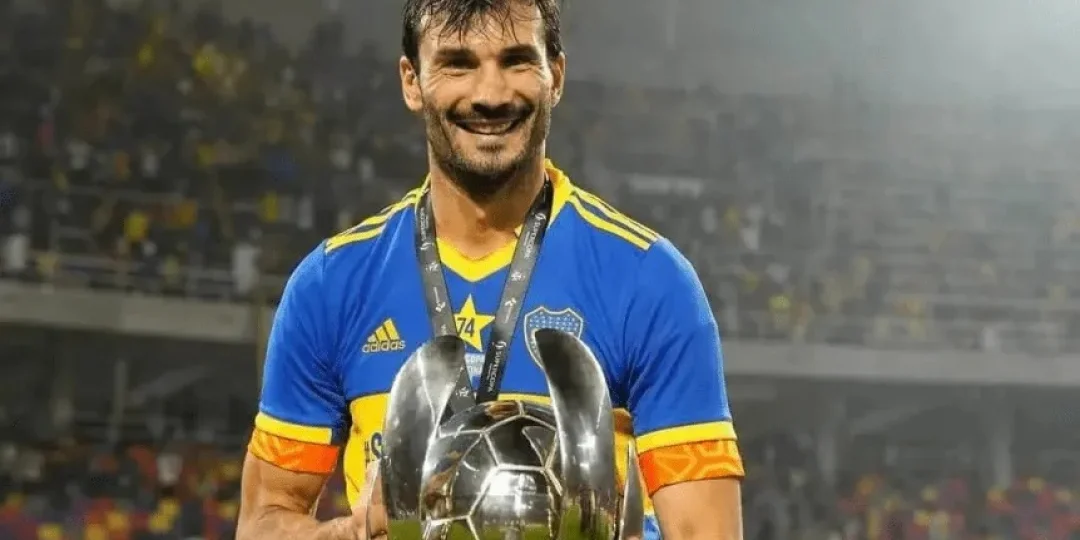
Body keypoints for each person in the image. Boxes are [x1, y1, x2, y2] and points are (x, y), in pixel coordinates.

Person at [236, 0, 745, 538]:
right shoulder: (331, 284)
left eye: (516, 60)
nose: (490, 94)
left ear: (556, 76)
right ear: (412, 81)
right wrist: (353, 534)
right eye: (458, 64)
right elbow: (262, 521)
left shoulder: (649, 281)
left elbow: (705, 531)